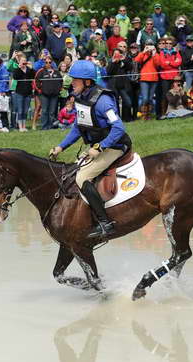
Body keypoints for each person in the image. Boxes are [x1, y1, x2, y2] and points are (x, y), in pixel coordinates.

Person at [49, 60, 132, 239]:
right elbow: (78, 127)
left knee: (82, 176)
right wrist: (60, 147)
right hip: (98, 147)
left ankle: (105, 223)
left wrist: (100, 147)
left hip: (115, 146)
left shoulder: (103, 101)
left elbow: (119, 128)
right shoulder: (81, 98)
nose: (72, 83)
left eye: (75, 80)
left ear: (87, 81)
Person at [34, 56, 63, 130]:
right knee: (44, 111)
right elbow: (36, 81)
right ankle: (44, 126)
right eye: (46, 62)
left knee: (52, 111)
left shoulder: (57, 72)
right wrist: (40, 90)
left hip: (54, 95)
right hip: (44, 95)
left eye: (49, 62)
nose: (48, 64)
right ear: (44, 63)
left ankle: (50, 126)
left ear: (52, 63)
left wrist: (59, 90)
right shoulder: (40, 71)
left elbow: (61, 81)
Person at [156, 36, 182, 116]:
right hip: (165, 77)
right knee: (165, 95)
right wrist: (173, 62)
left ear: (173, 44)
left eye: (170, 43)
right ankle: (164, 113)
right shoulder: (162, 52)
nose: (168, 45)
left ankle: (176, 111)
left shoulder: (176, 52)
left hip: (175, 77)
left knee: (176, 94)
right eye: (166, 43)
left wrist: (169, 62)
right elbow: (163, 65)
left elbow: (179, 62)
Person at [135, 39, 160, 120]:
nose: (149, 46)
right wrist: (143, 51)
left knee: (150, 98)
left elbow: (158, 64)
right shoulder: (143, 53)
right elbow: (137, 60)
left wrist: (154, 54)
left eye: (151, 44)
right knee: (145, 98)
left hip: (154, 79)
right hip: (144, 79)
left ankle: (148, 115)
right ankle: (143, 115)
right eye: (147, 44)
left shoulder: (156, 54)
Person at [107, 46, 133, 122]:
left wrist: (123, 60)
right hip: (113, 86)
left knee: (128, 102)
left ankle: (127, 118)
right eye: (115, 54)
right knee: (116, 103)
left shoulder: (124, 61)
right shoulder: (111, 62)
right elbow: (108, 72)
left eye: (118, 54)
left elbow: (130, 67)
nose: (117, 56)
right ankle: (118, 119)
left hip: (123, 86)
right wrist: (113, 62)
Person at [13, 55, 35, 132]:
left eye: (24, 61)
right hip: (19, 92)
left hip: (28, 93)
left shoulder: (29, 69)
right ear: (19, 62)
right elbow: (15, 77)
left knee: (25, 110)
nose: (23, 62)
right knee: (20, 110)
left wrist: (31, 68)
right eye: (22, 61)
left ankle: (24, 126)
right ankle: (20, 127)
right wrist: (19, 68)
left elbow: (34, 76)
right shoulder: (17, 70)